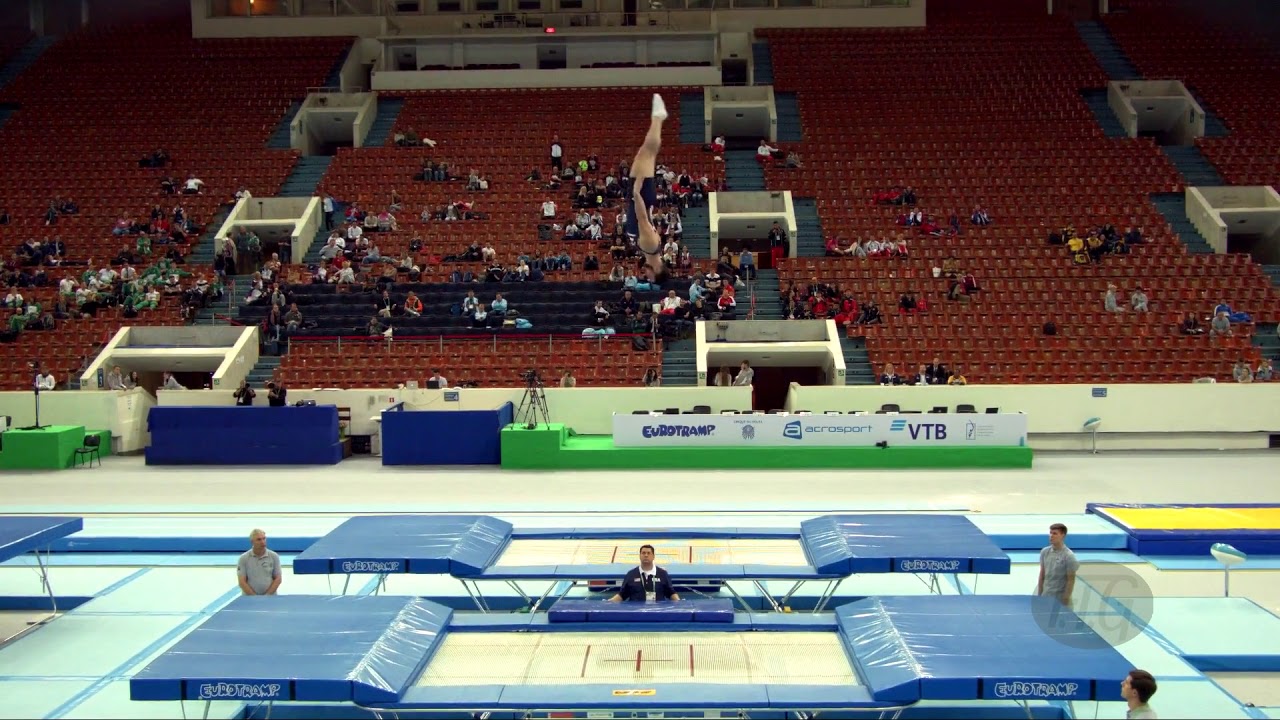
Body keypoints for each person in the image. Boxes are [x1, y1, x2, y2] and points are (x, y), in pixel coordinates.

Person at [624, 94, 671, 285]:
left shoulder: (652, 249)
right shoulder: (650, 246)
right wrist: (636, 192)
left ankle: (658, 118)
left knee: (648, 151)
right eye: (650, 278)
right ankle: (658, 117)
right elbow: (642, 218)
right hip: (641, 195)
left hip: (643, 197)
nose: (646, 276)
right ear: (658, 270)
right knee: (646, 150)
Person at [609, 544, 680, 603]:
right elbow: (622, 595)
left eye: (648, 553)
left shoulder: (662, 574)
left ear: (653, 556)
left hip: (658, 613)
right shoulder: (631, 574)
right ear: (639, 556)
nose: (646, 555)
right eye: (643, 553)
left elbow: (671, 593)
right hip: (636, 613)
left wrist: (680, 604)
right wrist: (608, 603)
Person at [1036, 522, 1079, 606]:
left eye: (1055, 533)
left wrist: (1065, 602)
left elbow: (1071, 581)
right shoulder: (1044, 552)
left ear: (1063, 535)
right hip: (1046, 596)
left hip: (1059, 599)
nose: (1051, 536)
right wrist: (1039, 595)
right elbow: (1042, 574)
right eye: (1050, 533)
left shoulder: (1069, 556)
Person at [237, 528, 281, 596]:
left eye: (264, 538)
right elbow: (242, 582)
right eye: (259, 539)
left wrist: (267, 596)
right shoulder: (244, 558)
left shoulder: (274, 556)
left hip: (270, 598)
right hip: (249, 599)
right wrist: (254, 597)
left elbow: (278, 579)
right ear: (252, 542)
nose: (262, 542)